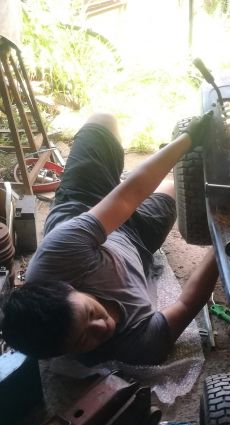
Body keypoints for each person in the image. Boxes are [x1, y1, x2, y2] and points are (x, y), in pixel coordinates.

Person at [0, 112, 218, 366]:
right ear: (65, 352)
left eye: (89, 313)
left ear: (69, 287)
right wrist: (223, 243)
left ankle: (113, 186)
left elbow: (128, 197)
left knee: (104, 121)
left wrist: (188, 138)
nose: (101, 327)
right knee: (171, 188)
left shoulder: (60, 254)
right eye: (83, 340)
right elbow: (187, 303)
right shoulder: (136, 344)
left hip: (82, 204)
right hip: (135, 242)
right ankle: (118, 189)